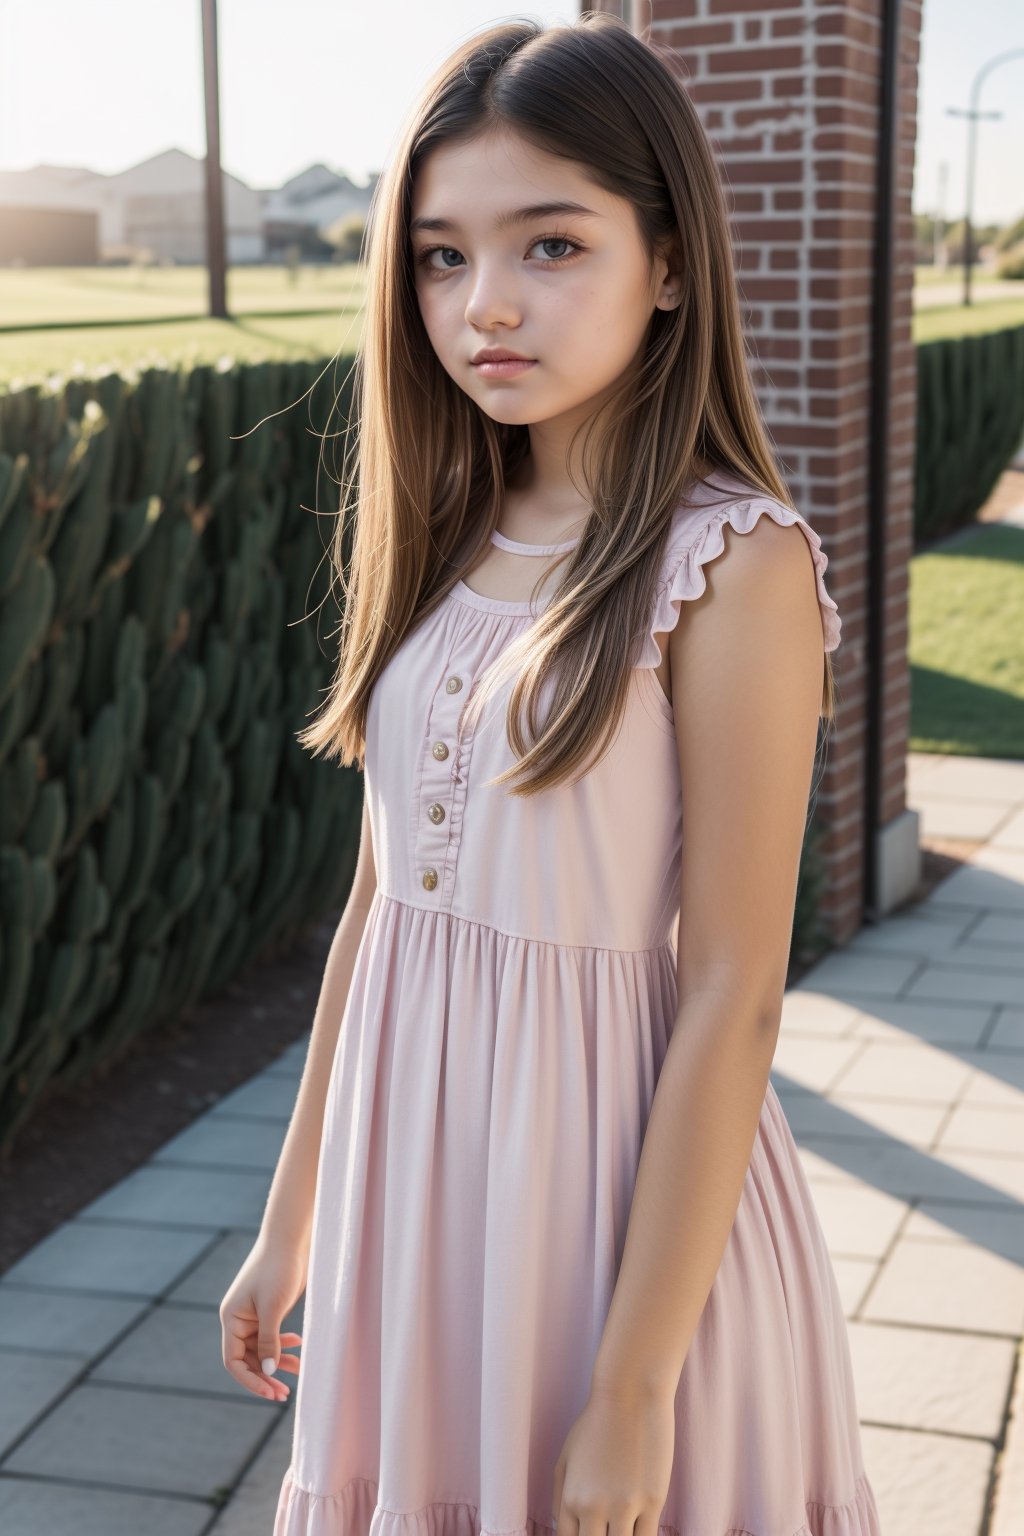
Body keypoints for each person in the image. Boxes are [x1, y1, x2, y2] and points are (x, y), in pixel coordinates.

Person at [219, 14, 881, 1536]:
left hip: (606, 1222)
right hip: (413, 1195)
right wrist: (289, 1224)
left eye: (552, 245)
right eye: (442, 256)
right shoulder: (449, 527)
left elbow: (734, 990)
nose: (485, 304)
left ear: (666, 261)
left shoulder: (733, 564)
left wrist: (637, 1383)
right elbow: (378, 908)